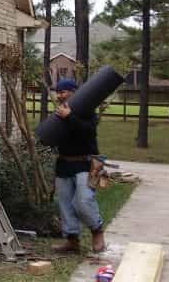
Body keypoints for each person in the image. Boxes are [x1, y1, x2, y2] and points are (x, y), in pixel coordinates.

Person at [53, 78, 105, 253]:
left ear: (74, 92)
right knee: (65, 203)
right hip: (64, 163)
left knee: (83, 201)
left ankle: (97, 231)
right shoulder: (59, 113)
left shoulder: (87, 111)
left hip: (87, 163)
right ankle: (72, 240)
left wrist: (70, 117)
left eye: (64, 91)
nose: (60, 95)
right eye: (58, 92)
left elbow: (88, 130)